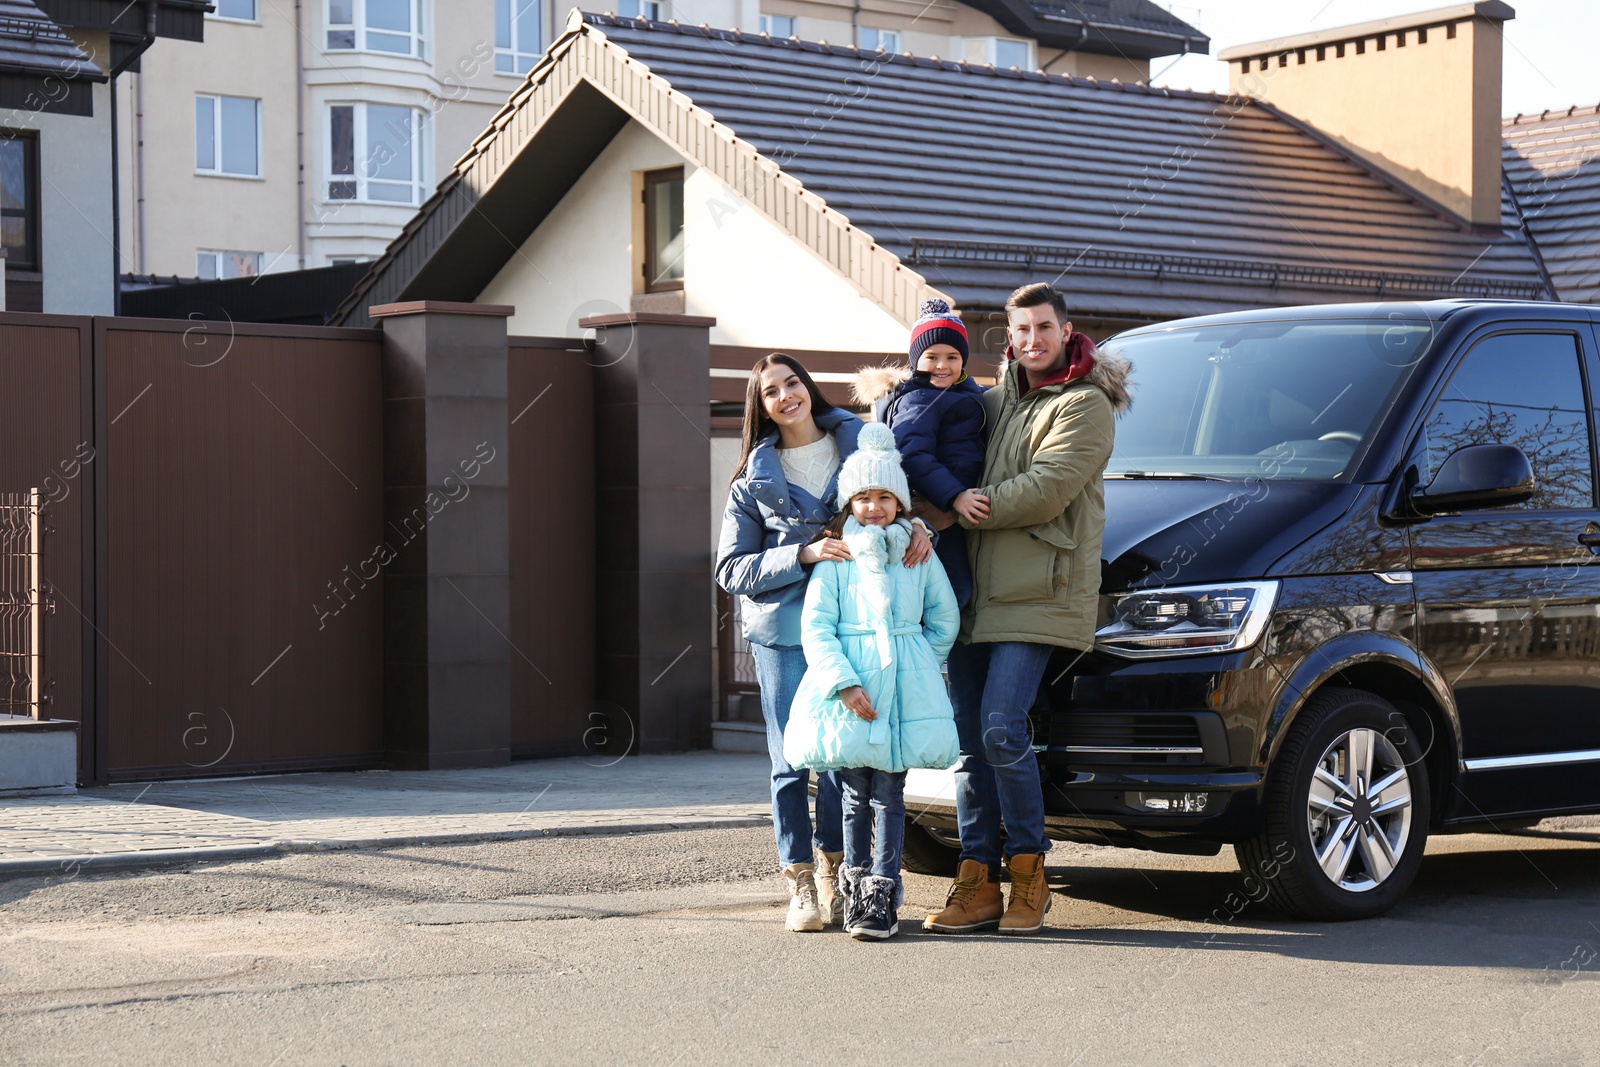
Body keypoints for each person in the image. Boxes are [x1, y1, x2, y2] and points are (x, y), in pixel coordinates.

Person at [921, 283, 1131, 936]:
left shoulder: (1086, 405)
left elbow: (1044, 491)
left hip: (1041, 594)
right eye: (1021, 330)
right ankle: (976, 880)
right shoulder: (994, 402)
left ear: (1066, 332)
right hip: (977, 597)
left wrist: (960, 502)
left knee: (1001, 728)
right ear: (1008, 338)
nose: (1033, 339)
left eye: (1044, 327)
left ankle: (1030, 875)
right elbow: (928, 419)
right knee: (969, 744)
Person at [715, 354, 935, 933]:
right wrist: (804, 554)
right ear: (759, 407)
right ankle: (800, 883)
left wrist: (918, 526)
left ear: (807, 387)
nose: (786, 396)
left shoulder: (860, 441)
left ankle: (842, 874)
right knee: (792, 761)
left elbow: (893, 495)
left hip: (858, 626)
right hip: (786, 634)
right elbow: (730, 569)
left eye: (793, 383)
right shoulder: (751, 479)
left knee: (843, 757)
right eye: (771, 392)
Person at [782, 422, 960, 940]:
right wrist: (843, 682)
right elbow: (816, 625)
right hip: (851, 689)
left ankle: (882, 892)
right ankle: (855, 888)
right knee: (854, 792)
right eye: (863, 497)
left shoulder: (917, 551)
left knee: (891, 792)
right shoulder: (836, 556)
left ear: (901, 502)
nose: (874, 507)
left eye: (885, 497)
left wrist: (918, 663)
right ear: (850, 502)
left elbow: (943, 617)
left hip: (901, 689)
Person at [851, 298, 987, 607]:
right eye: (932, 356)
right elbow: (912, 454)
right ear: (916, 361)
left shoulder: (963, 393)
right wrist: (955, 495)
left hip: (953, 514)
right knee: (951, 591)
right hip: (936, 514)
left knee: (954, 592)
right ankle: (923, 652)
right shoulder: (919, 399)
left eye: (953, 357)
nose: (942, 365)